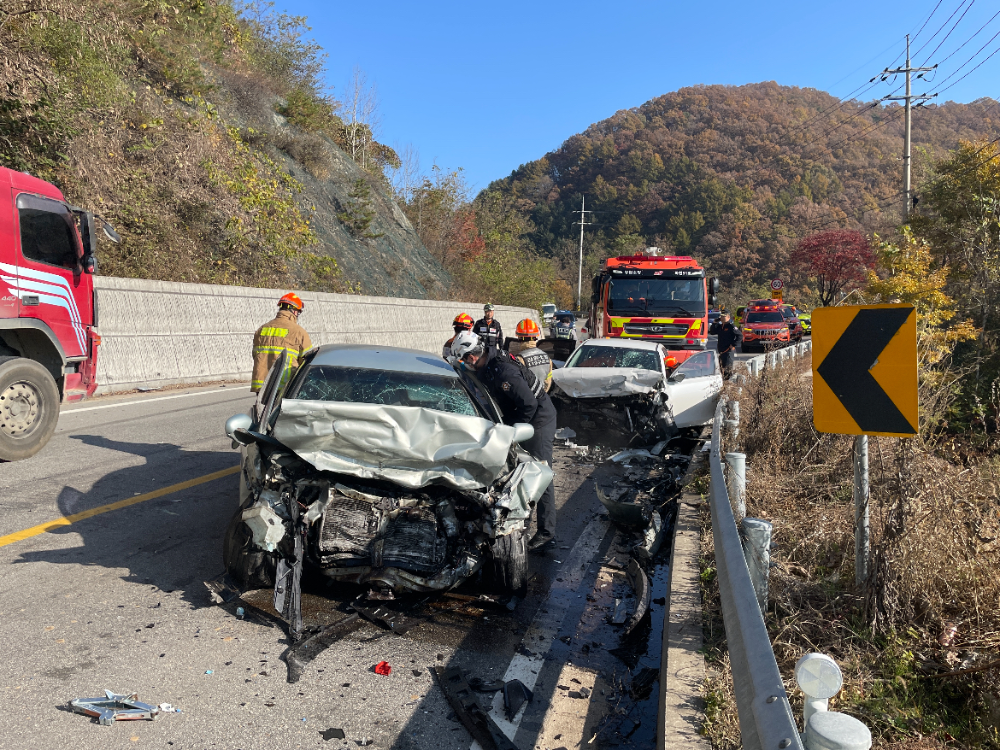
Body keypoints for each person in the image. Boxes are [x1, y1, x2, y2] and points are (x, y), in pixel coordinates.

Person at [450, 330, 557, 553]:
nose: (464, 364)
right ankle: (520, 522)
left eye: (463, 360)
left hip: (538, 419)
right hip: (517, 414)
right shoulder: (484, 362)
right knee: (513, 473)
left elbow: (529, 405)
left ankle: (547, 533)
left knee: (539, 472)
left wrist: (512, 432)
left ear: (472, 357)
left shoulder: (504, 372)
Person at [251, 293, 312, 393]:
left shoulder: (262, 329)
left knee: (262, 409)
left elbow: (255, 355)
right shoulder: (299, 332)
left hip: (262, 384)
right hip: (284, 385)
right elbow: (306, 360)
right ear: (294, 311)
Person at [509, 318, 553, 392]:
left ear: (519, 337)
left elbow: (516, 386)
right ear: (536, 336)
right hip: (542, 400)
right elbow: (548, 382)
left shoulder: (519, 360)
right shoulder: (547, 358)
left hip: (526, 401)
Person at [709, 311, 741, 379]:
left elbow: (740, 336)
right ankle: (724, 385)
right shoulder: (720, 326)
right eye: (721, 316)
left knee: (728, 371)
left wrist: (733, 344)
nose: (722, 318)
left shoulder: (731, 326)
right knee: (721, 370)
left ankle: (728, 386)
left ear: (728, 317)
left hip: (728, 352)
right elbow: (712, 332)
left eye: (724, 316)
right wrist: (714, 323)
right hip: (721, 351)